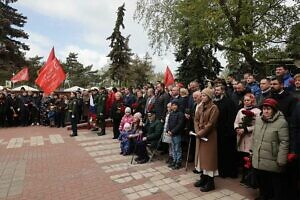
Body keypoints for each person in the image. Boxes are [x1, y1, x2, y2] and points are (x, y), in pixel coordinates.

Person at [252, 98, 289, 200]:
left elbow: (284, 142)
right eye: (264, 109)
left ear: (274, 110)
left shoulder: (281, 123)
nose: (266, 111)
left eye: (268, 109)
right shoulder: (259, 120)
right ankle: (263, 195)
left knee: (274, 182)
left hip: (273, 158)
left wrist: (281, 159)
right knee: (262, 180)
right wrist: (252, 151)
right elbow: (254, 136)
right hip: (259, 156)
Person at [194, 88, 219, 192]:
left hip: (209, 137)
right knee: (201, 158)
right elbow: (195, 119)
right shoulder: (200, 106)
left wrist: (201, 133)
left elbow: (211, 124)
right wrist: (197, 131)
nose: (202, 97)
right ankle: (203, 178)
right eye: (202, 95)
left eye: (204, 95)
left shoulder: (214, 108)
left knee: (209, 160)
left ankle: (210, 182)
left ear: (209, 96)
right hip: (200, 135)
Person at [234, 93, 261, 185]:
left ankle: (249, 179)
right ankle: (243, 177)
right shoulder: (240, 110)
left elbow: (258, 125)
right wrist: (237, 128)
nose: (246, 102)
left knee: (249, 158)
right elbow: (236, 122)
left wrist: (246, 129)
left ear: (252, 101)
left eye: (248, 100)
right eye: (245, 100)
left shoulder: (257, 111)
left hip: (250, 137)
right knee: (242, 158)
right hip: (241, 137)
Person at [213, 85, 238, 178]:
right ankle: (221, 170)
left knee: (228, 153)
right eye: (215, 90)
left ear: (223, 91)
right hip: (217, 131)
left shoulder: (228, 102)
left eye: (218, 90)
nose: (216, 92)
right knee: (220, 153)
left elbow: (231, 117)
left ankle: (229, 172)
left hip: (227, 132)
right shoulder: (214, 102)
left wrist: (228, 130)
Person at [167, 99, 185, 170]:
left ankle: (178, 162)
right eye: (172, 105)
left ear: (178, 106)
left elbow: (180, 124)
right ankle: (174, 160)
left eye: (175, 105)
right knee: (173, 148)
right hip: (171, 133)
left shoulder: (180, 114)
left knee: (177, 148)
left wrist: (173, 131)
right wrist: (168, 130)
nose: (174, 107)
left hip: (176, 134)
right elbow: (168, 123)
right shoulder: (171, 113)